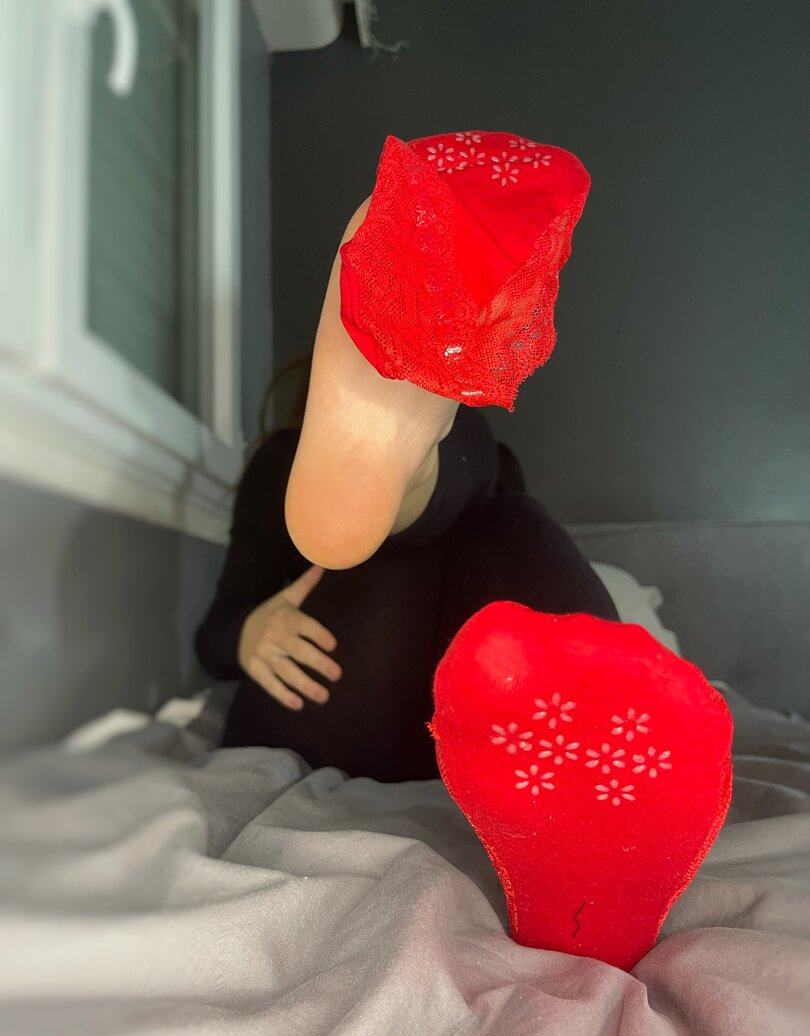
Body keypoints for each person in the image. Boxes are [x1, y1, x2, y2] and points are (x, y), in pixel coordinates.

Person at [194, 199, 618, 783]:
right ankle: (414, 470)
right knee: (499, 502)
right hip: (321, 709)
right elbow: (212, 639)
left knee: (506, 518)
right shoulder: (278, 471)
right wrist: (246, 635)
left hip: (456, 733)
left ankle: (412, 470)